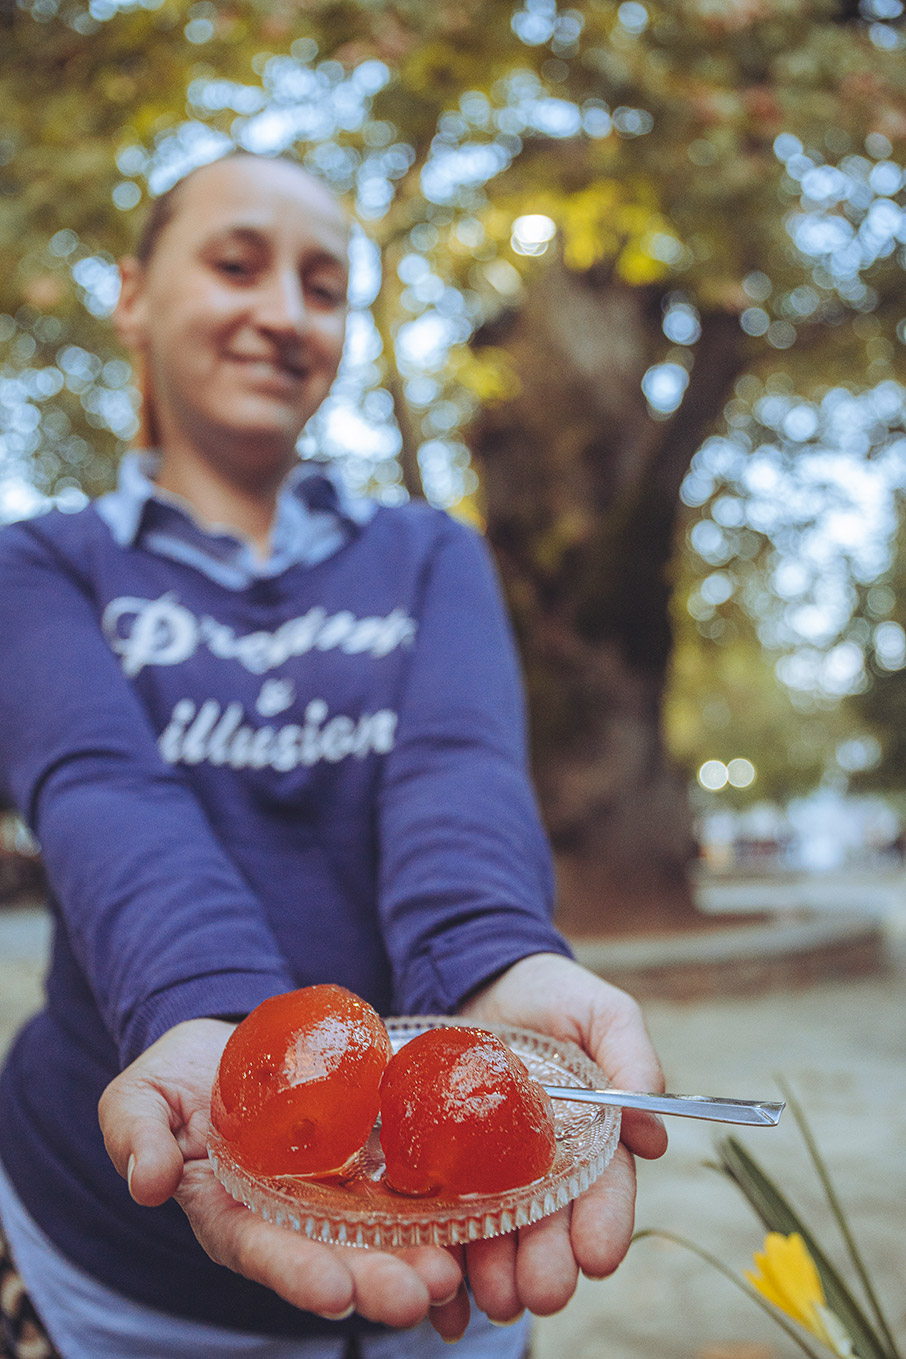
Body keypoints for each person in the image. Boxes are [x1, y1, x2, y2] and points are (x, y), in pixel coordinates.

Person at [0, 152, 667, 1359]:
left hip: (445, 1232)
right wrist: (215, 1023)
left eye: (324, 285)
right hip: (116, 1259)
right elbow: (103, 790)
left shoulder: (427, 553)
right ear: (133, 295)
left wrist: (490, 962)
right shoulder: (41, 565)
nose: (282, 312)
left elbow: (456, 774)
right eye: (236, 263)